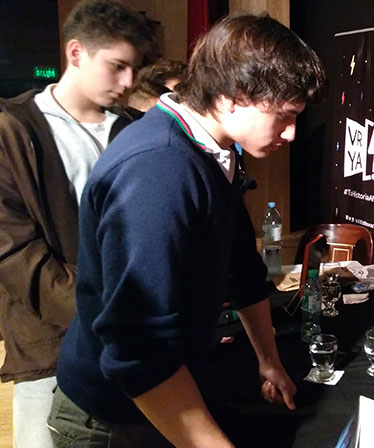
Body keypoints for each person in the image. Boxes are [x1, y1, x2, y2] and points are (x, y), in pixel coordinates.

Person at [47, 13, 326, 447]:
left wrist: (268, 360)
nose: (291, 134)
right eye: (284, 116)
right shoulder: (159, 170)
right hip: (111, 420)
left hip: (164, 389)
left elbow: (242, 269)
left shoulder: (215, 152)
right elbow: (137, 347)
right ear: (234, 97)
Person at [0, 1, 153, 446]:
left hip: (133, 341)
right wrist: (102, 315)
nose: (128, 82)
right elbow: (13, 253)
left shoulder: (137, 129)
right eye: (117, 66)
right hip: (51, 343)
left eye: (135, 68)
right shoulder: (14, 130)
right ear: (76, 53)